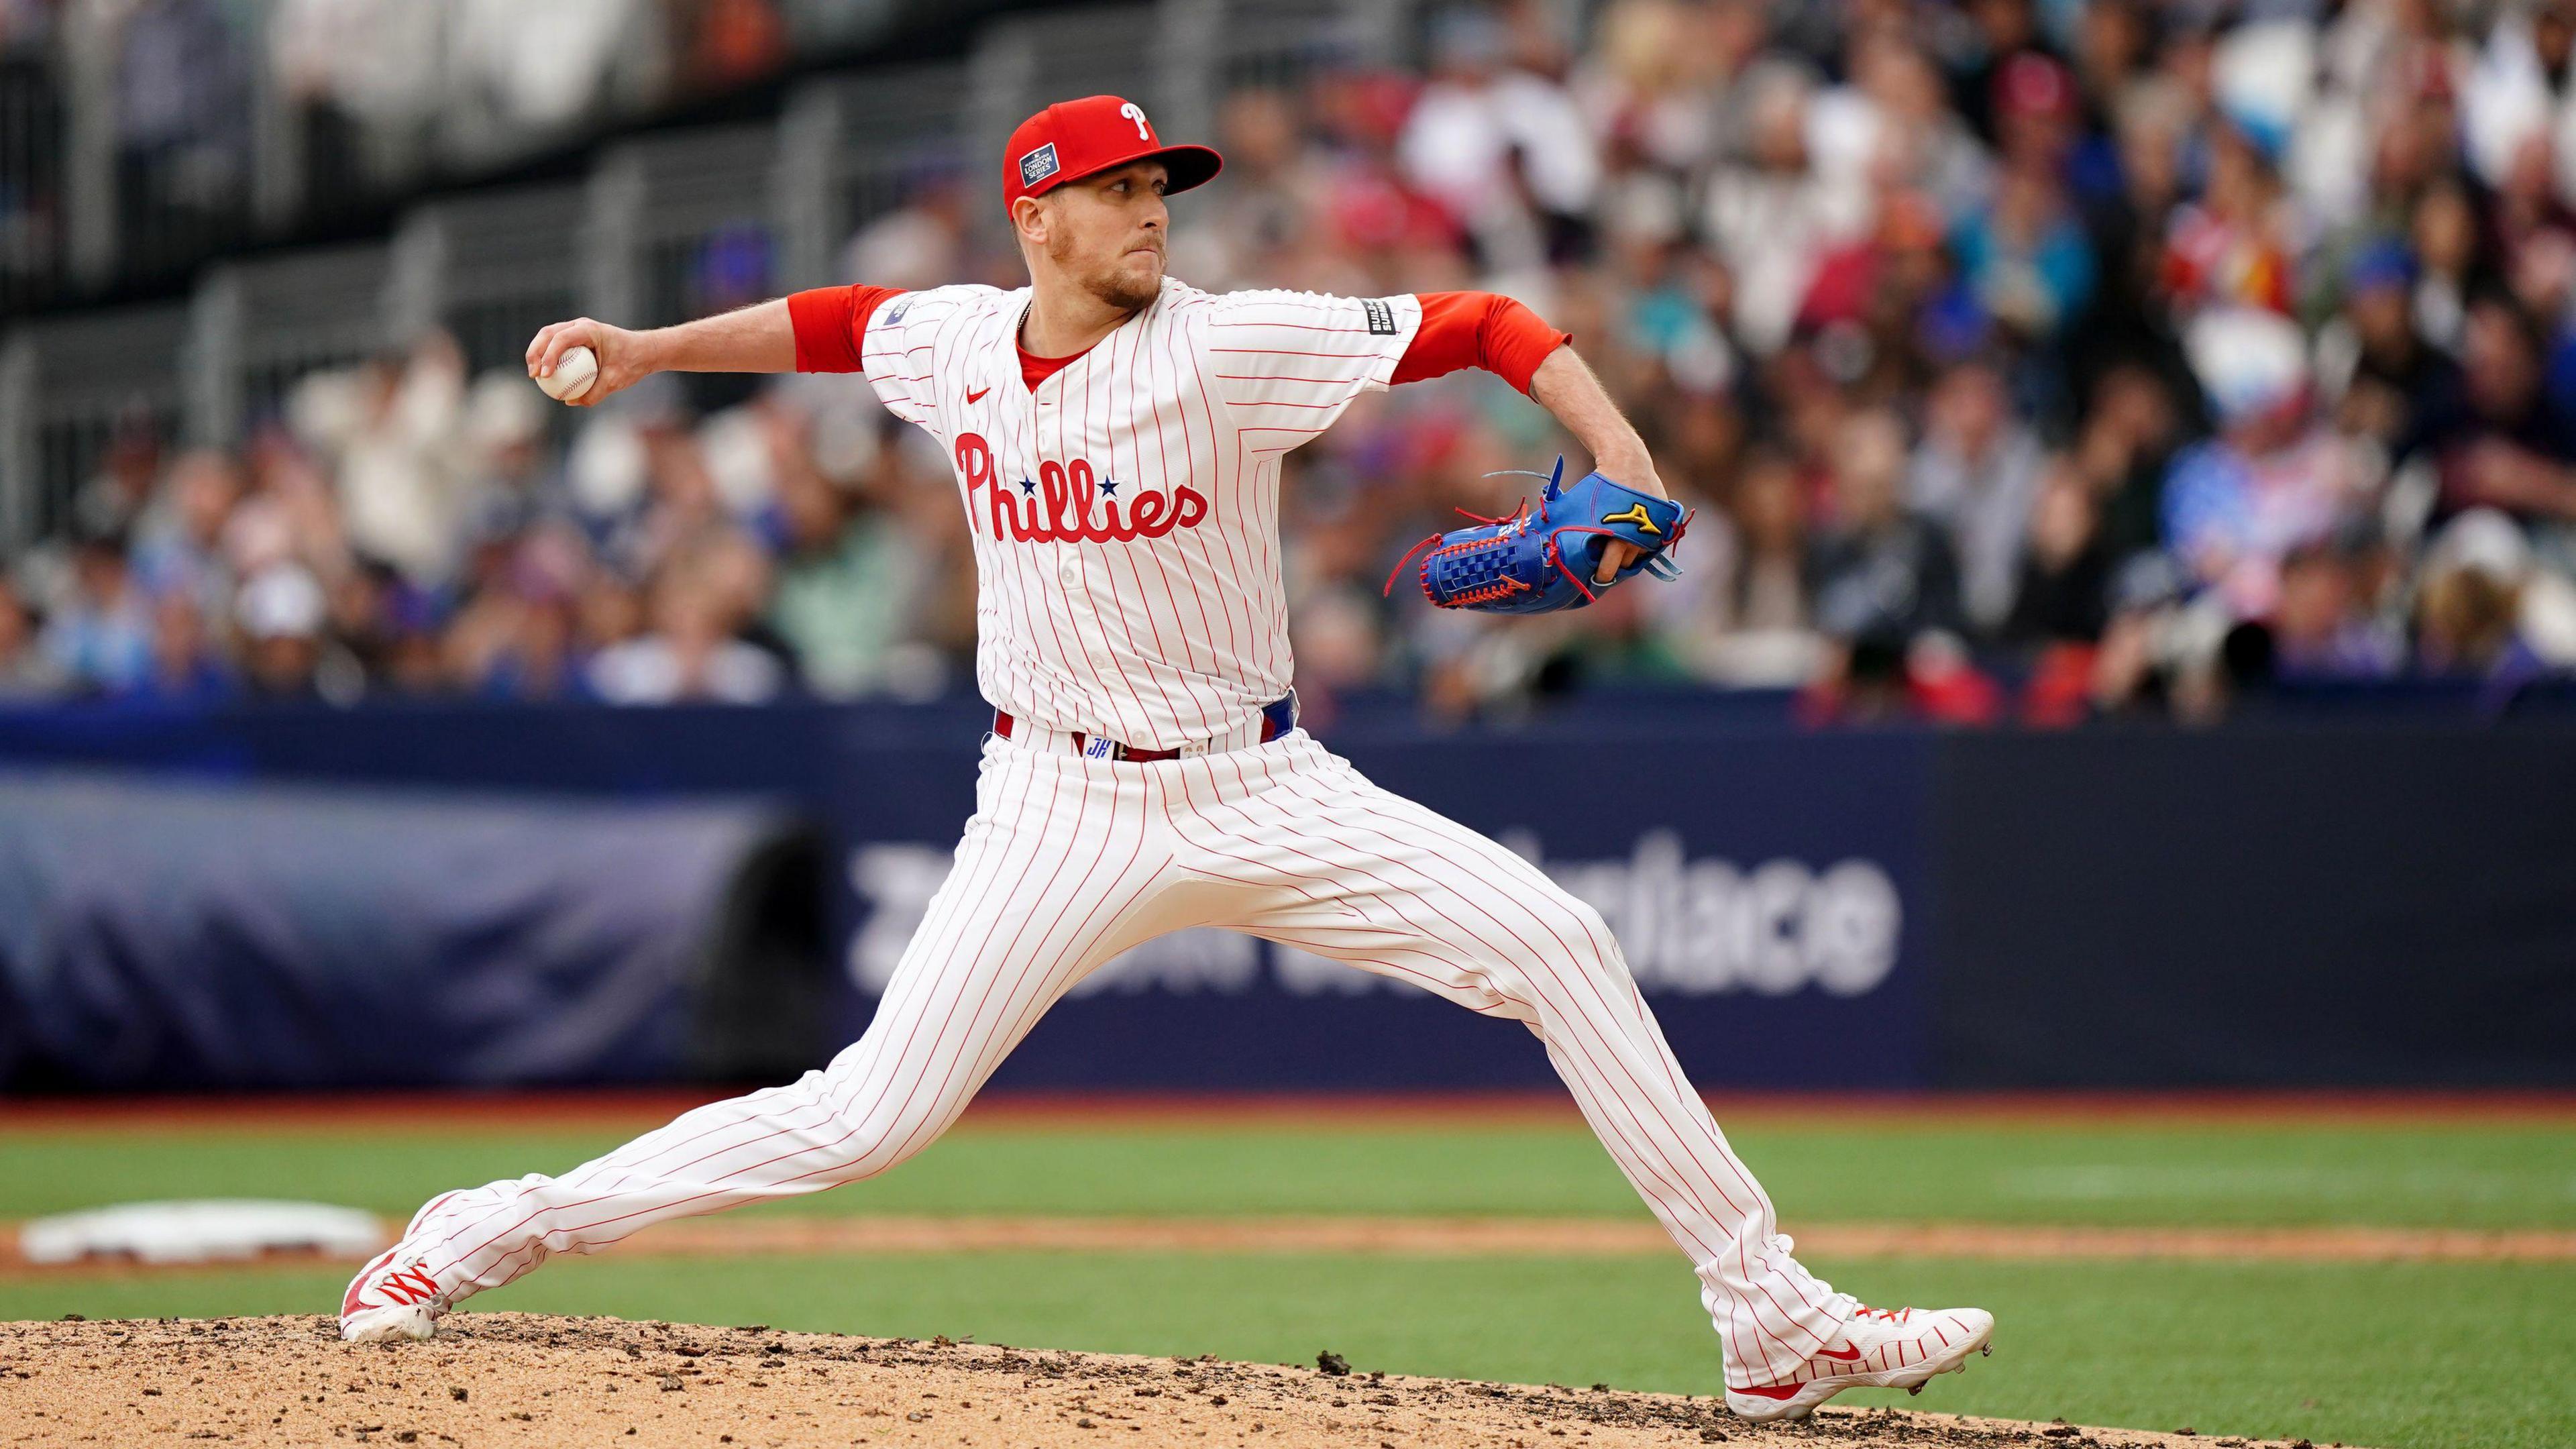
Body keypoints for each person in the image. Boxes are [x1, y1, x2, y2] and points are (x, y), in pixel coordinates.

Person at [337, 95, 1992, 1424]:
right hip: (1058, 802)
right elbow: (835, 325)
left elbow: (1485, 320)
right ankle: (489, 1229)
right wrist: (643, 351)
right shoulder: (962, 340)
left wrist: (1615, 455)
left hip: (1264, 786)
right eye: (1118, 190)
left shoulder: (1225, 342)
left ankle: (1770, 1323)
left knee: (1560, 943)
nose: (1150, 213)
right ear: (1036, 218)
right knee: (864, 1121)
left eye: (1162, 190)